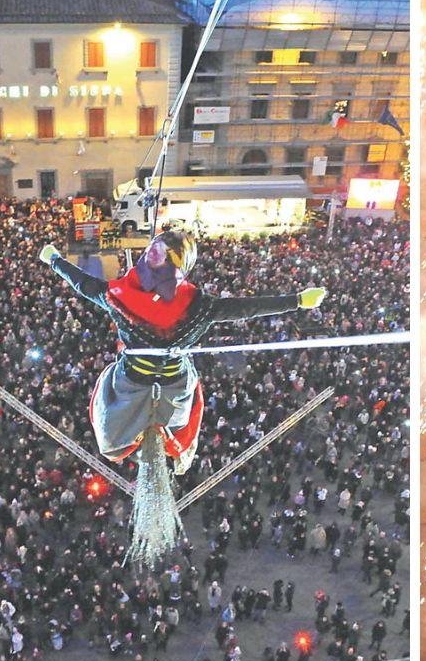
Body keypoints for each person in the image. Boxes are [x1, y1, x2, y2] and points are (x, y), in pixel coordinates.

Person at [39, 229, 326, 565]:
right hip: (174, 384)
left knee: (108, 392)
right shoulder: (200, 307)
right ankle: (178, 446)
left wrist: (55, 260)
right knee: (188, 400)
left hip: (133, 380)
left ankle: (124, 436)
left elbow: (83, 284)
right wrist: (297, 301)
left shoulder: (116, 296)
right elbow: (247, 308)